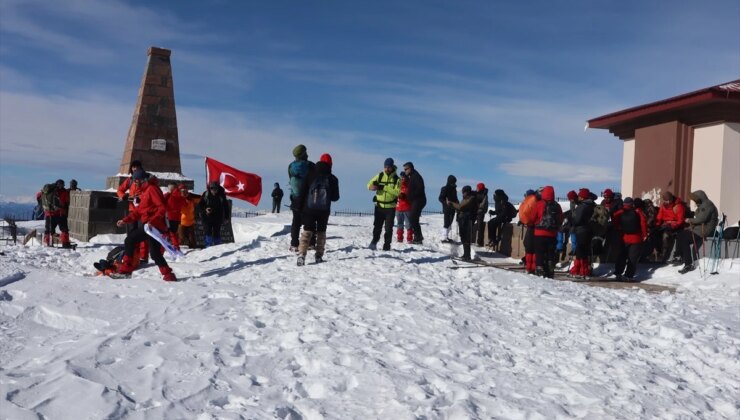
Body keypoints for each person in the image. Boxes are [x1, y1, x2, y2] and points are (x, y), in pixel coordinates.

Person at [114, 169, 176, 281]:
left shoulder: (152, 189)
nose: (134, 183)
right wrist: (125, 220)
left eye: (136, 181)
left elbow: (162, 208)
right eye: (134, 181)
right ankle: (168, 275)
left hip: (154, 227)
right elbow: (139, 211)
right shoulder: (144, 191)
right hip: (149, 227)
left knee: (131, 240)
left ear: (142, 180)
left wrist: (152, 221)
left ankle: (126, 270)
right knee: (154, 253)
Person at [297, 153, 340, 266]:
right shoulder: (333, 178)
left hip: (309, 209)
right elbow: (335, 198)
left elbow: (302, 193)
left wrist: (300, 208)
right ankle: (319, 256)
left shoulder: (310, 174)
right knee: (321, 232)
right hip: (324, 210)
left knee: (307, 231)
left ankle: (302, 254)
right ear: (331, 164)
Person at [676, 190, 718, 274]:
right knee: (680, 234)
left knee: (685, 239)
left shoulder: (707, 205)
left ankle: (688, 263)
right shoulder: (703, 205)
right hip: (699, 228)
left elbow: (701, 219)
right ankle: (678, 255)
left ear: (700, 198)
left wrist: (689, 220)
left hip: (704, 230)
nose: (695, 202)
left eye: (695, 200)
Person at [117, 160, 149, 263]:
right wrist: (123, 196)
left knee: (143, 234)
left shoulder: (146, 179)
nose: (134, 169)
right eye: (133, 167)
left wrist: (141, 198)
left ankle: (143, 257)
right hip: (132, 210)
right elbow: (120, 190)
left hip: (143, 211)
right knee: (131, 234)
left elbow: (149, 193)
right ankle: (132, 253)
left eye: (137, 167)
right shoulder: (130, 180)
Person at [611, 197, 648, 281]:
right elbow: (643, 223)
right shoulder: (638, 212)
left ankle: (618, 273)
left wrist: (618, 228)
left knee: (621, 256)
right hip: (636, 238)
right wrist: (645, 235)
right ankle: (628, 276)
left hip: (624, 237)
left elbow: (614, 220)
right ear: (632, 204)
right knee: (632, 258)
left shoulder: (620, 212)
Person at [368, 158, 400, 250]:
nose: (386, 169)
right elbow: (368, 184)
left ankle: (387, 246)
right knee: (377, 226)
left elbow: (397, 192)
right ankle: (374, 242)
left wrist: (384, 187)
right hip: (379, 206)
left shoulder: (396, 179)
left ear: (392, 167)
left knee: (388, 229)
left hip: (390, 208)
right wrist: (371, 187)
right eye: (385, 167)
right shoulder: (380, 175)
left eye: (388, 167)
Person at [288, 145, 315, 252]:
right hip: (309, 197)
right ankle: (311, 243)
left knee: (296, 221)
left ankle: (294, 244)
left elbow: (290, 179)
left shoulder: (290, 166)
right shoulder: (311, 165)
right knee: (310, 221)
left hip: (296, 196)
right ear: (304, 154)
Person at [533, 186, 562, 278]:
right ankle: (550, 269)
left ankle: (539, 269)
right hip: (552, 234)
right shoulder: (557, 205)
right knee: (550, 253)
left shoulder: (539, 204)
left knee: (539, 252)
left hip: (539, 233)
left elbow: (532, 217)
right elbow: (560, 219)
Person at [569, 188, 595, 278]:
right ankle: (583, 270)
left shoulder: (582, 206)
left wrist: (571, 219)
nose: (578, 197)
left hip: (581, 230)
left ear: (582, 197)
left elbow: (577, 220)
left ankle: (581, 271)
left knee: (580, 251)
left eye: (580, 195)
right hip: (589, 230)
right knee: (584, 251)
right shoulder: (591, 204)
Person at [655, 191, 686, 263]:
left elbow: (680, 220)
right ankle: (657, 254)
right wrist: (657, 225)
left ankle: (665, 255)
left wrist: (672, 225)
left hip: (676, 226)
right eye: (666, 200)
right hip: (666, 225)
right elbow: (659, 217)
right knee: (655, 235)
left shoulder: (678, 206)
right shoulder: (663, 206)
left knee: (665, 236)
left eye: (670, 200)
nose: (668, 202)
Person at [40, 179, 72, 248]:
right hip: (60, 213)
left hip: (49, 214)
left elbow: (39, 196)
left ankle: (48, 243)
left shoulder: (48, 191)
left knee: (49, 230)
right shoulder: (64, 192)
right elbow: (66, 201)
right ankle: (65, 243)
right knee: (64, 229)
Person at [449, 185, 478, 261]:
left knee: (466, 238)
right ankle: (465, 254)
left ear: (467, 192)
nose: (462, 194)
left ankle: (467, 256)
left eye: (463, 192)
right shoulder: (466, 198)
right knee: (463, 237)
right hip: (463, 219)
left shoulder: (471, 198)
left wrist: (452, 203)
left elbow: (461, 207)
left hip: (468, 220)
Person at [403, 162, 426, 244]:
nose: (405, 171)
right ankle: (418, 237)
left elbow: (420, 189)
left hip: (418, 200)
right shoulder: (412, 176)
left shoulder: (416, 176)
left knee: (413, 218)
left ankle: (418, 237)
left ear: (410, 168)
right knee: (414, 219)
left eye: (406, 169)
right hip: (416, 200)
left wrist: (411, 196)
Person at [199, 181, 228, 247]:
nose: (214, 190)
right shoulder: (206, 194)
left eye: (215, 188)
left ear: (218, 188)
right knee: (208, 231)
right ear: (210, 188)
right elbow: (200, 205)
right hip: (207, 217)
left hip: (218, 217)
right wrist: (205, 209)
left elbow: (226, 206)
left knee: (217, 232)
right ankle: (208, 247)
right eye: (212, 188)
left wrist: (226, 217)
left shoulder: (221, 195)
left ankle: (217, 247)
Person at [518, 189, 539, 274]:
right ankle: (532, 267)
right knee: (532, 248)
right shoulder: (536, 201)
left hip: (531, 226)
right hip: (536, 226)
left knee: (529, 246)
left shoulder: (528, 201)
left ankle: (529, 267)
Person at [163, 182, 186, 251]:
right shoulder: (181, 196)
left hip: (169, 216)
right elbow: (185, 204)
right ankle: (171, 246)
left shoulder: (169, 195)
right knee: (173, 232)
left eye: (169, 188)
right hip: (178, 217)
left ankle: (176, 247)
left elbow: (162, 200)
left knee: (170, 232)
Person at [438, 175, 458, 243]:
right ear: (449, 181)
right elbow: (440, 198)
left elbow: (455, 198)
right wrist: (445, 202)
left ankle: (447, 236)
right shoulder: (444, 188)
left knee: (450, 222)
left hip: (453, 208)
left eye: (454, 182)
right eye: (453, 182)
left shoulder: (454, 189)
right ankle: (444, 238)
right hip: (447, 208)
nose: (454, 183)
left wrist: (457, 204)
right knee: (446, 223)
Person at [396, 172, 413, 243]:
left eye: (403, 177)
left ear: (406, 177)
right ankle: (399, 238)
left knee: (408, 224)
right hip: (398, 208)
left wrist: (405, 196)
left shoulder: (409, 186)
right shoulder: (398, 186)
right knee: (399, 224)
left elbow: (412, 196)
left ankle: (409, 239)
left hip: (407, 208)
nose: (402, 178)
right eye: (401, 177)